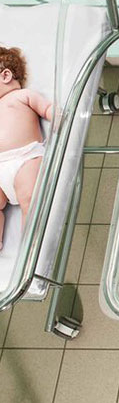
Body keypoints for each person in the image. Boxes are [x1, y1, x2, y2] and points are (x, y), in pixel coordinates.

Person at [0, 46, 52, 251]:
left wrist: (55, 115)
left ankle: (29, 246)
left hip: (26, 158)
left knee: (29, 198)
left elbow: (46, 108)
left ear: (5, 76)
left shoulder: (22, 96)